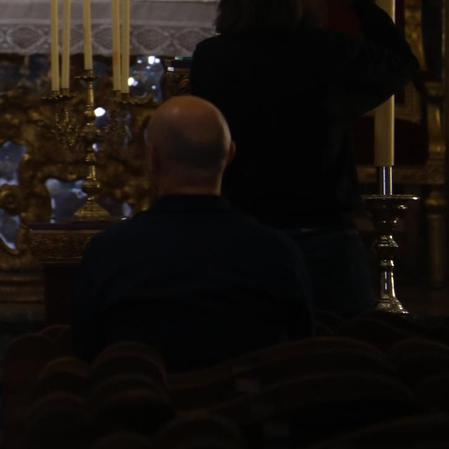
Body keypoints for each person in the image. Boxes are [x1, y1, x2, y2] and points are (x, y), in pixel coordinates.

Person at [189, 0, 420, 316]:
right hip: (324, 240)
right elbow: (402, 63)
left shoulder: (212, 58)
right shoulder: (328, 53)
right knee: (339, 363)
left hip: (244, 237)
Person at [73, 96, 316, 372]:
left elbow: (88, 357)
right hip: (249, 412)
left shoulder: (108, 253)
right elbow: (300, 359)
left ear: (151, 158)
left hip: (145, 411)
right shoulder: (279, 253)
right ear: (230, 155)